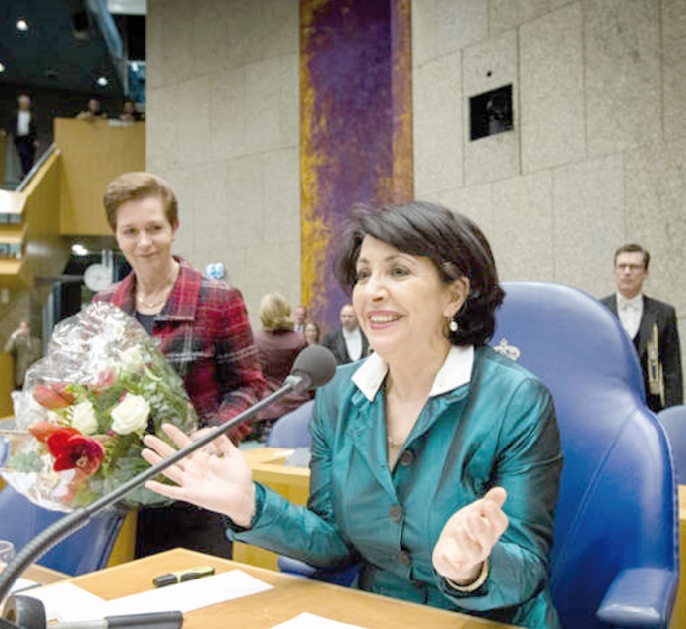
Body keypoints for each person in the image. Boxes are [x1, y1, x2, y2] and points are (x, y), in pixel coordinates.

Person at [141, 202, 563, 628]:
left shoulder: (517, 400)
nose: (372, 291)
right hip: (376, 615)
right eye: (364, 274)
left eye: (398, 271)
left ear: (453, 294)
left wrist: (474, 569)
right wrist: (249, 506)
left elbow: (528, 568)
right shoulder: (338, 393)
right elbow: (333, 543)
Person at [92, 171, 268, 560]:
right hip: (122, 497)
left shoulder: (218, 299)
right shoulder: (102, 306)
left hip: (197, 491)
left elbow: (250, 387)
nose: (143, 242)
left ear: (174, 227)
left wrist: (207, 441)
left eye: (154, 228)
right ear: (116, 235)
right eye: (130, 231)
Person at [600, 244, 683, 412]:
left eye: (634, 267)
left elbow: (672, 372)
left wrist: (673, 415)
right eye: (622, 266)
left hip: (650, 406)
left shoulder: (663, 313)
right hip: (608, 407)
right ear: (614, 271)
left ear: (646, 273)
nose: (627, 272)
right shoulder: (598, 310)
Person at [252, 293, 311, 435]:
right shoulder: (300, 340)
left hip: (268, 410)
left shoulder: (256, 340)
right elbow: (309, 375)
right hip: (299, 405)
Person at [4, 320, 41, 390]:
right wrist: (14, 335)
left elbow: (39, 356)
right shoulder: (17, 341)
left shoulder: (37, 342)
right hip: (22, 374)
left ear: (29, 328)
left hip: (35, 375)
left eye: (25, 327)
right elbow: (7, 350)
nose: (23, 330)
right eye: (21, 327)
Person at [10, 94, 39, 178]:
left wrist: (36, 139)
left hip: (29, 138)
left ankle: (28, 173)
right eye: (24, 103)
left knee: (30, 157)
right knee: (23, 154)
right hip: (19, 138)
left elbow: (34, 129)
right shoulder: (15, 114)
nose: (25, 105)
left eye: (27, 103)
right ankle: (25, 173)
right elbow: (11, 125)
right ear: (20, 104)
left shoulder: (32, 116)